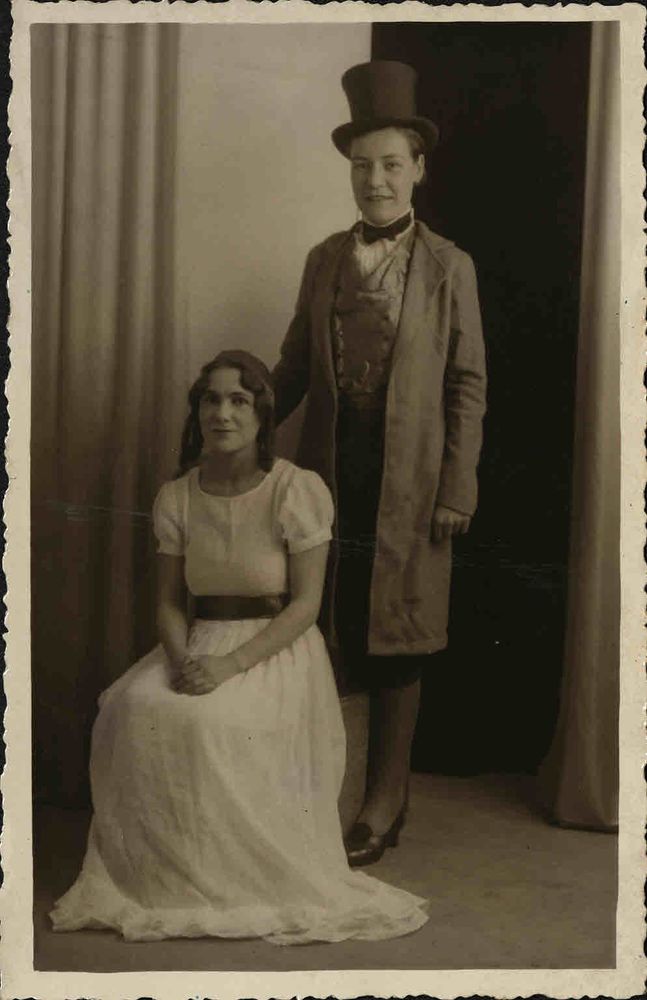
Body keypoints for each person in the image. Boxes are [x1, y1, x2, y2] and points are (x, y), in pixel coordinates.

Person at [49, 349, 429, 944]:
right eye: (211, 399)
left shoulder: (295, 490)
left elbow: (305, 606)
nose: (222, 413)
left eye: (238, 400)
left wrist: (229, 665)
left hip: (276, 647)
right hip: (199, 641)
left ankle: (235, 879)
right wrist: (182, 662)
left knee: (216, 721)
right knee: (131, 708)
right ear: (197, 411)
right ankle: (164, 879)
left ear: (262, 414)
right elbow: (172, 602)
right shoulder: (177, 496)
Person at [273, 61, 487, 867]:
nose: (376, 180)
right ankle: (311, 795)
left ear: (418, 170)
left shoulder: (449, 267)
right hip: (329, 471)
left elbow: (468, 385)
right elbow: (294, 365)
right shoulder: (324, 258)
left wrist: (455, 487)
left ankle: (383, 800)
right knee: (322, 629)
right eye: (363, 166)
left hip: (413, 482)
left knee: (398, 634)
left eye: (391, 163)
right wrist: (237, 417)